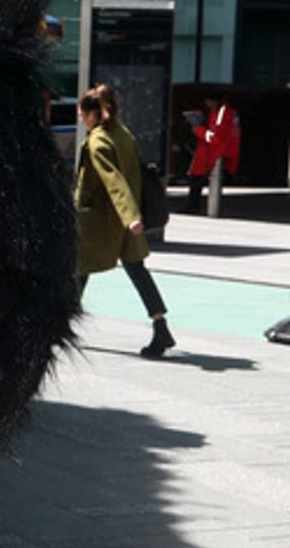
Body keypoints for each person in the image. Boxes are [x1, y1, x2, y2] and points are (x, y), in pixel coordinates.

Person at [75, 84, 175, 359]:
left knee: (79, 268)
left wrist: (130, 216)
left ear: (93, 114)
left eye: (82, 114)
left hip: (102, 220)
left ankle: (57, 329)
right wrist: (132, 217)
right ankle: (161, 327)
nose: (81, 120)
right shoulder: (123, 134)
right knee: (137, 271)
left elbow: (113, 181)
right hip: (127, 220)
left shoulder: (98, 142)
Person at [186, 92, 241, 210]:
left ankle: (195, 207)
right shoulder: (228, 112)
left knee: (197, 180)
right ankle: (196, 206)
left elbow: (215, 137)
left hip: (213, 154)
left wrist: (198, 131)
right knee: (197, 179)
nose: (206, 104)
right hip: (217, 153)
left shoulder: (222, 113)